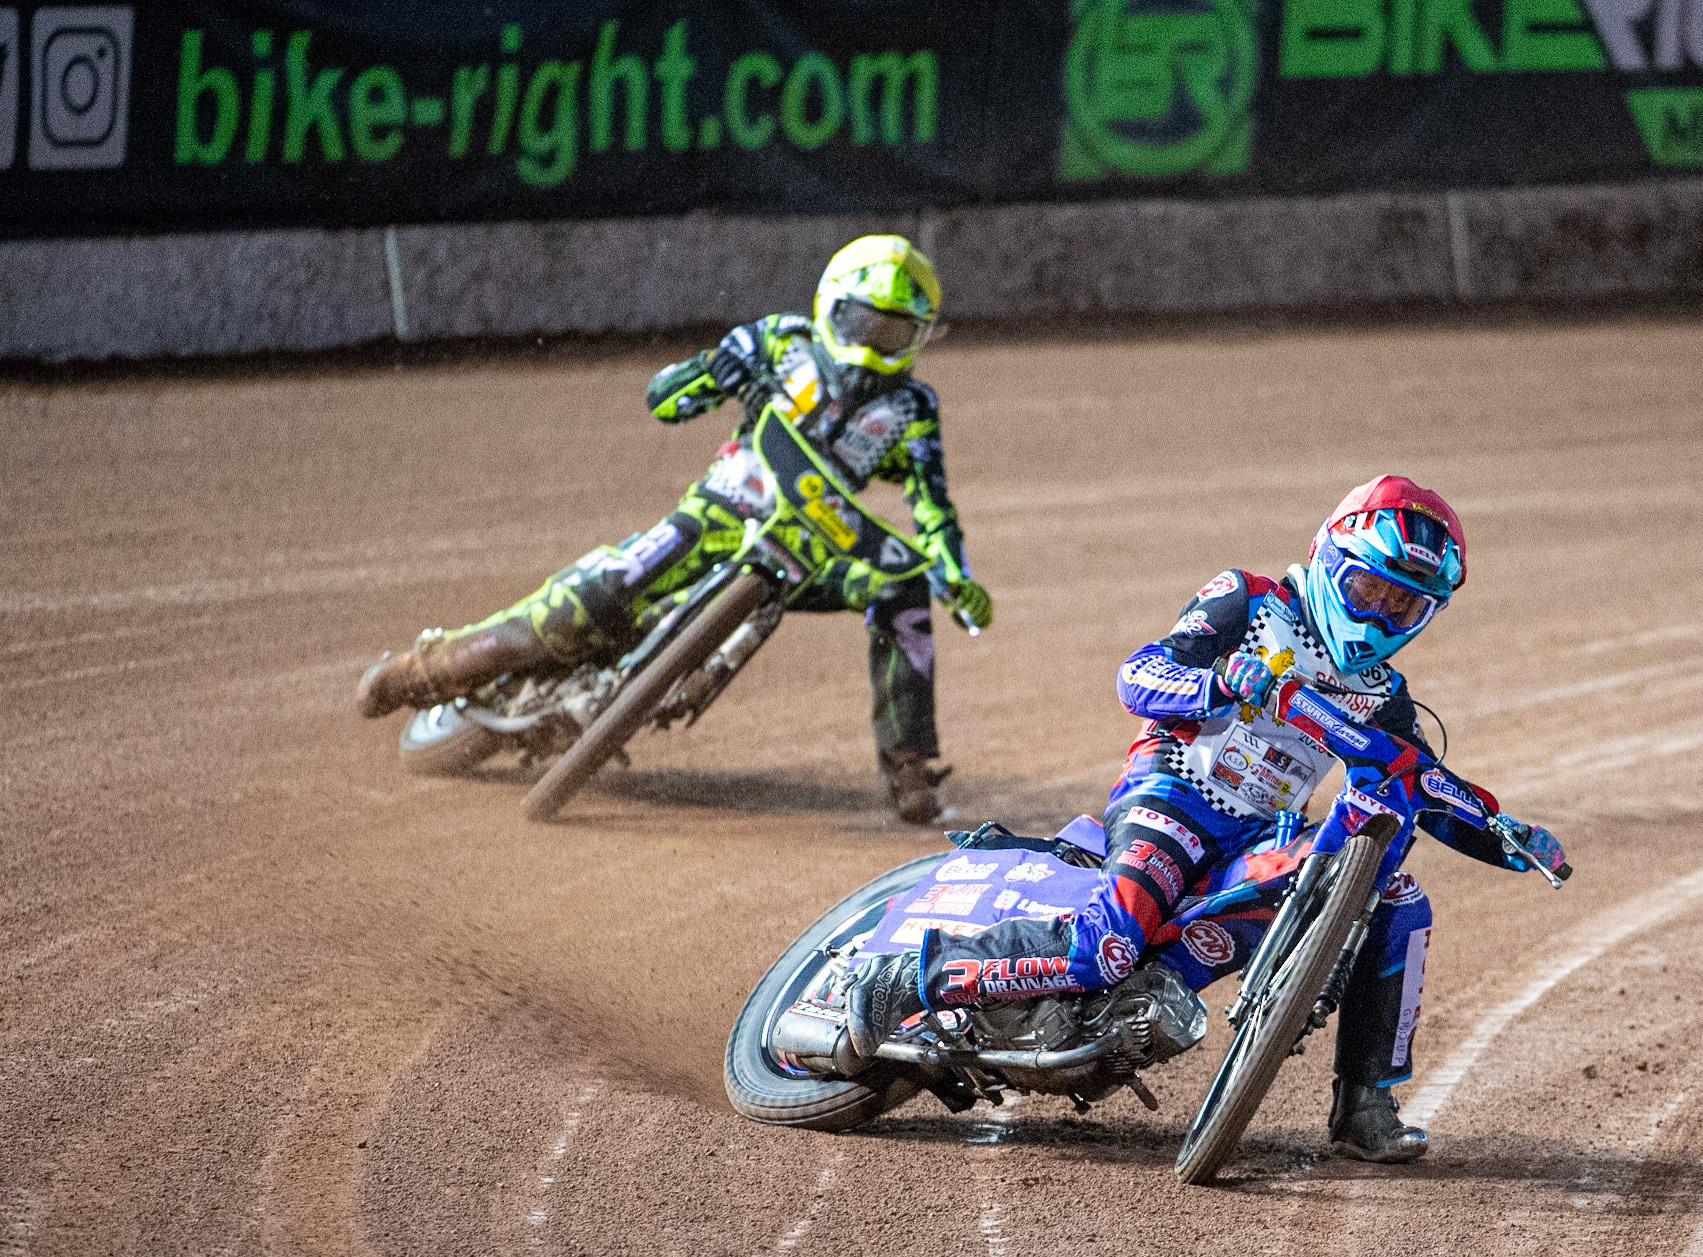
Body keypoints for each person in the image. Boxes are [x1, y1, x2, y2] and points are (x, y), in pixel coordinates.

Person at [845, 475, 1570, 1160]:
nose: (1380, 614)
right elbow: (1139, 674)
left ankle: (1365, 1107)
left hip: (1260, 835)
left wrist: (1509, 836)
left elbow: (1423, 791)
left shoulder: (1385, 695)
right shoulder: (1250, 601)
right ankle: (906, 978)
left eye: (1404, 606)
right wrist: (1217, 682)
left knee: (1400, 897)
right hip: (1173, 790)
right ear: (1327, 557)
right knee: (1109, 947)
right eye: (1368, 587)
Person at [356, 235, 992, 824]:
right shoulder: (779, 341)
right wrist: (716, 370)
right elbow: (664, 399)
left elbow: (931, 502)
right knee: (573, 610)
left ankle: (910, 765)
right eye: (865, 323)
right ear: (832, 305)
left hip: (815, 549)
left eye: (895, 332)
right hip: (716, 515)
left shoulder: (912, 408)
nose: (876, 345)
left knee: (899, 591)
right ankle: (416, 672)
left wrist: (953, 573)